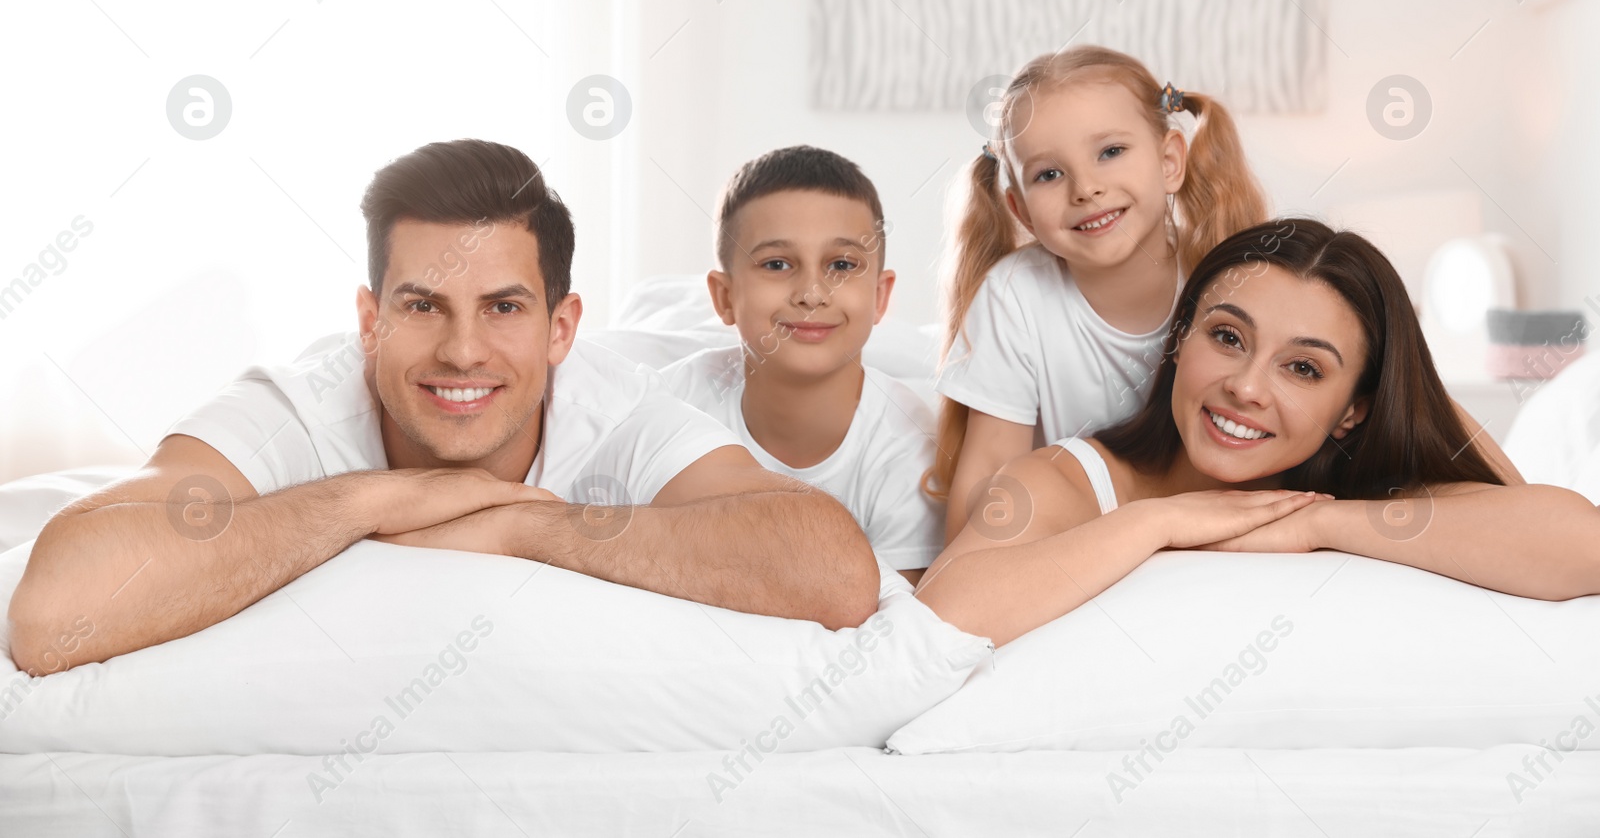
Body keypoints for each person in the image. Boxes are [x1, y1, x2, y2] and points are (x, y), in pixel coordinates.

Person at [8, 140, 880, 675]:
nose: (463, 351)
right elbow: (53, 618)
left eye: (504, 308)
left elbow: (834, 571)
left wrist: (522, 528)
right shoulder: (296, 407)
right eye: (422, 306)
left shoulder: (614, 407)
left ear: (561, 329)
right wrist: (371, 502)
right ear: (368, 322)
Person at [915, 220, 1598, 647]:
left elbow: (1582, 546)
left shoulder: (1370, 492)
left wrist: (1320, 528)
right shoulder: (1070, 480)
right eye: (1227, 337)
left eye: (1302, 368)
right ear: (1180, 341)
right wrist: (1162, 522)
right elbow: (942, 613)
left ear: (1354, 409)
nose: (1248, 386)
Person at [927, 46, 1269, 545]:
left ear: (1170, 161)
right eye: (1049, 174)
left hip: (1196, 515)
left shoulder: (1223, 277)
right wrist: (965, 566)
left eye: (1110, 152)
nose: (1085, 188)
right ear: (1021, 211)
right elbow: (988, 475)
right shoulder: (1014, 295)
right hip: (1072, 529)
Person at [660, 146, 942, 583]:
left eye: (842, 265)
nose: (812, 293)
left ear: (880, 297)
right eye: (777, 264)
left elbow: (894, 624)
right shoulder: (669, 407)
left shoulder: (912, 448)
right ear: (724, 297)